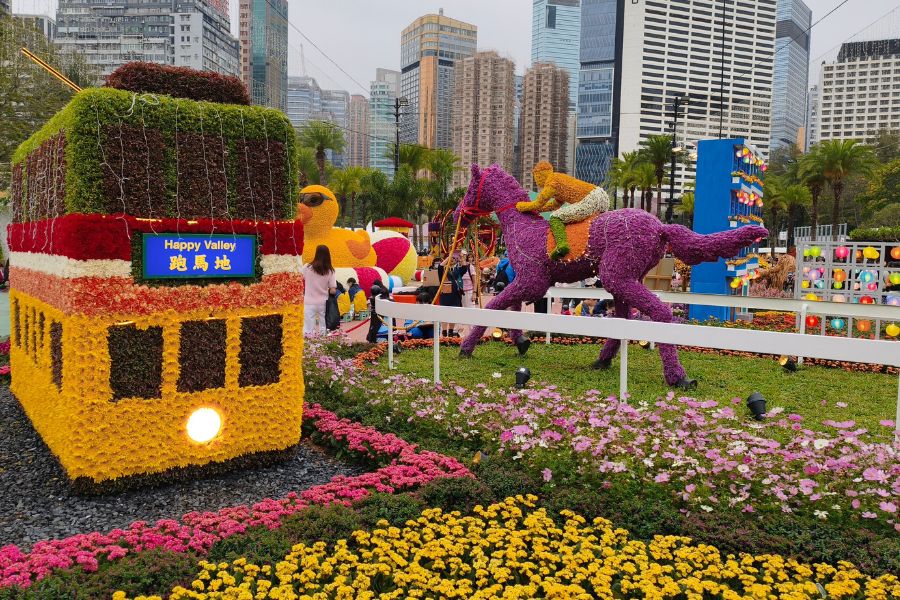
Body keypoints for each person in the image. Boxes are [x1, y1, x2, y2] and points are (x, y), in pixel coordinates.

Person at [515, 161, 611, 260]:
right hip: (602, 196)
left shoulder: (552, 181)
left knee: (555, 217)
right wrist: (537, 210)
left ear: (541, 174)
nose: (537, 181)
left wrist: (520, 206)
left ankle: (562, 245)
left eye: (537, 177)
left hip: (592, 198)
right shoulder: (558, 179)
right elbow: (555, 205)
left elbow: (539, 202)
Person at [301, 245, 337, 336]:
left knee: (308, 327)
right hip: (323, 302)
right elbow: (333, 290)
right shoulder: (330, 271)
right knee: (323, 326)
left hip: (309, 301)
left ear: (316, 253)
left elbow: (300, 278)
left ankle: (310, 345)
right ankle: (323, 344)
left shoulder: (307, 267)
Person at [437, 252, 467, 337]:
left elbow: (464, 268)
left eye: (454, 258)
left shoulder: (456, 269)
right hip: (445, 296)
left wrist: (462, 258)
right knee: (444, 314)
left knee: (453, 314)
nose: (452, 260)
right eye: (451, 258)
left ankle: (450, 332)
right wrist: (448, 257)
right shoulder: (443, 270)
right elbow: (440, 266)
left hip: (455, 296)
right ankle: (444, 332)